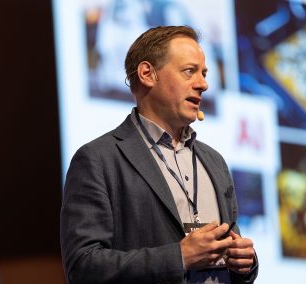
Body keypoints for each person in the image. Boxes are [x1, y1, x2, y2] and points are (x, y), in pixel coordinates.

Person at [60, 25, 258, 284]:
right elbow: (83, 266)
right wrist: (180, 257)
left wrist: (245, 264)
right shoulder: (98, 160)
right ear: (147, 74)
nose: (203, 84)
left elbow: (232, 250)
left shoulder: (214, 162)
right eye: (189, 72)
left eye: (204, 73)